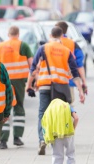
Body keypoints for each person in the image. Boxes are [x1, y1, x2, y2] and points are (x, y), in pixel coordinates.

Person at [26, 26, 85, 155]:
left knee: (43, 113)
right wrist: (80, 91)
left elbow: (33, 68)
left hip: (45, 85)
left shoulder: (43, 48)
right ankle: (58, 141)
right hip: (61, 88)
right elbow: (75, 73)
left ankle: (42, 140)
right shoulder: (66, 51)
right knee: (59, 114)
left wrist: (28, 85)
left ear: (50, 35)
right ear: (62, 35)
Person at [0, 26, 33, 149]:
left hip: (3, 81)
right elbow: (31, 64)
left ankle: (3, 141)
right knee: (19, 107)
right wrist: (32, 81)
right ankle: (17, 138)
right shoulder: (23, 45)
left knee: (4, 108)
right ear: (18, 33)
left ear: (8, 33)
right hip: (19, 80)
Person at [41, 98, 79, 164]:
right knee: (70, 153)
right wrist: (72, 129)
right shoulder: (67, 106)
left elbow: (45, 121)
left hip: (56, 135)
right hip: (68, 133)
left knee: (57, 155)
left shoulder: (50, 108)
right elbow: (76, 118)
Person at [55, 21, 88, 104]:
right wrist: (83, 82)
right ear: (66, 31)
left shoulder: (49, 45)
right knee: (68, 107)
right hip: (68, 82)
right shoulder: (73, 44)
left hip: (53, 82)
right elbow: (79, 65)